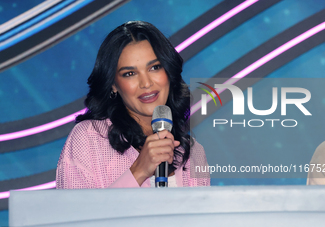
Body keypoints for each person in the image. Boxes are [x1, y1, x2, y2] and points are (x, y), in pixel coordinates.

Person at [56, 21, 210, 189]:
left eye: (155, 67)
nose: (146, 83)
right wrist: (139, 170)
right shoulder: (88, 138)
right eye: (130, 73)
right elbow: (73, 214)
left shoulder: (193, 153)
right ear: (113, 84)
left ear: (169, 72)